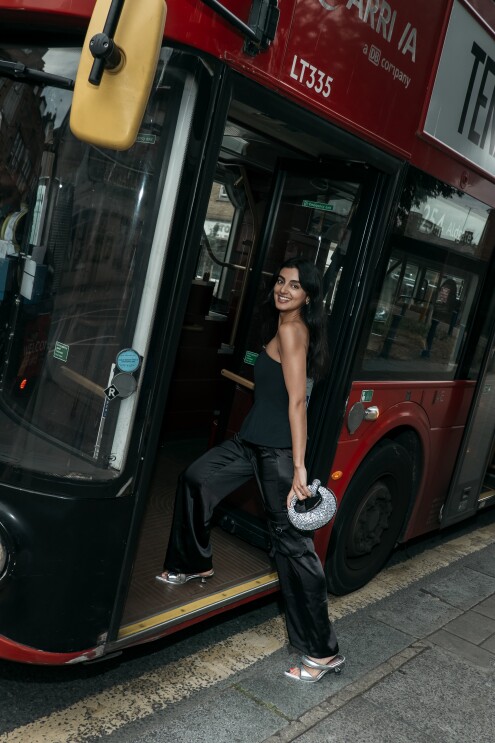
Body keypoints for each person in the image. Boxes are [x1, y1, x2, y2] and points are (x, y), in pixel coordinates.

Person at [156, 257, 344, 682]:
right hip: (250, 442)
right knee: (196, 478)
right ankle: (194, 562)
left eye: (294, 286)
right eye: (280, 281)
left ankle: (322, 651)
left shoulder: (293, 330)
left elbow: (298, 403)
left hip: (276, 454)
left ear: (308, 296)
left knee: (295, 552)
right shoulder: (285, 327)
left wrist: (298, 467)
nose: (283, 289)